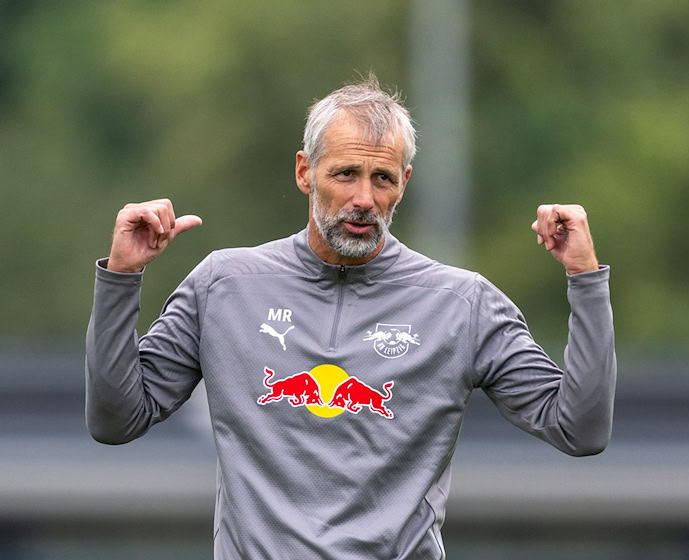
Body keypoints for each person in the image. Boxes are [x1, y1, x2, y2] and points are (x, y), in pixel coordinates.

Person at [85, 75, 615, 559]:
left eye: (382, 178)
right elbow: (116, 420)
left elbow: (579, 428)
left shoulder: (461, 304)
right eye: (345, 174)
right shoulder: (223, 286)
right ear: (304, 172)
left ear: (404, 183)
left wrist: (585, 279)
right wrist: (121, 277)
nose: (364, 198)